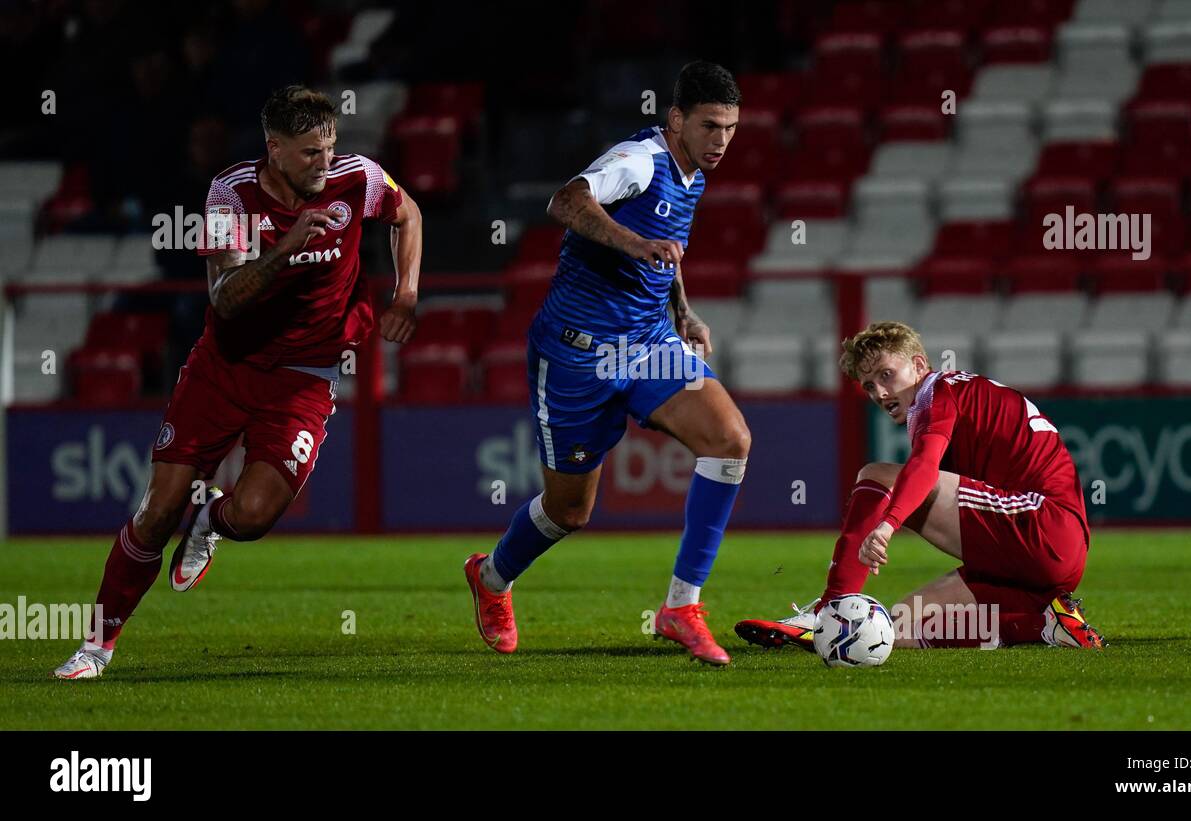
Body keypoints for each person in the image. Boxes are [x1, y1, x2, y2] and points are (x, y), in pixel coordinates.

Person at [54, 85, 422, 679]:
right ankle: (97, 646)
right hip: (225, 368)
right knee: (156, 511)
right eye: (309, 153)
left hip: (306, 376)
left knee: (252, 515)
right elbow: (224, 299)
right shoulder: (231, 195)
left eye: (329, 148)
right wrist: (286, 248)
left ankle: (210, 524)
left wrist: (406, 291)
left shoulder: (358, 178)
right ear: (274, 149)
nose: (324, 164)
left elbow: (408, 212)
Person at [464, 61, 749, 665]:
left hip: (646, 345)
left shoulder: (692, 173)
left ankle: (680, 607)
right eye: (709, 125)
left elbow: (665, 253)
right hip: (575, 355)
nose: (721, 139)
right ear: (676, 120)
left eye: (730, 127)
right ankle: (490, 578)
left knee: (729, 440)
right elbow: (566, 201)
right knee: (571, 510)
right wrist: (633, 241)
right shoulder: (638, 160)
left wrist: (686, 314)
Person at [735, 321, 1105, 652]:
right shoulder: (960, 393)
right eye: (868, 385)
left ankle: (830, 608)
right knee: (898, 624)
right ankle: (1047, 624)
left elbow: (924, 467)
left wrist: (888, 522)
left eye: (886, 375)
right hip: (1046, 552)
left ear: (918, 365)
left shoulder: (935, 391)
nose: (879, 393)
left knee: (876, 476)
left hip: (1041, 523)